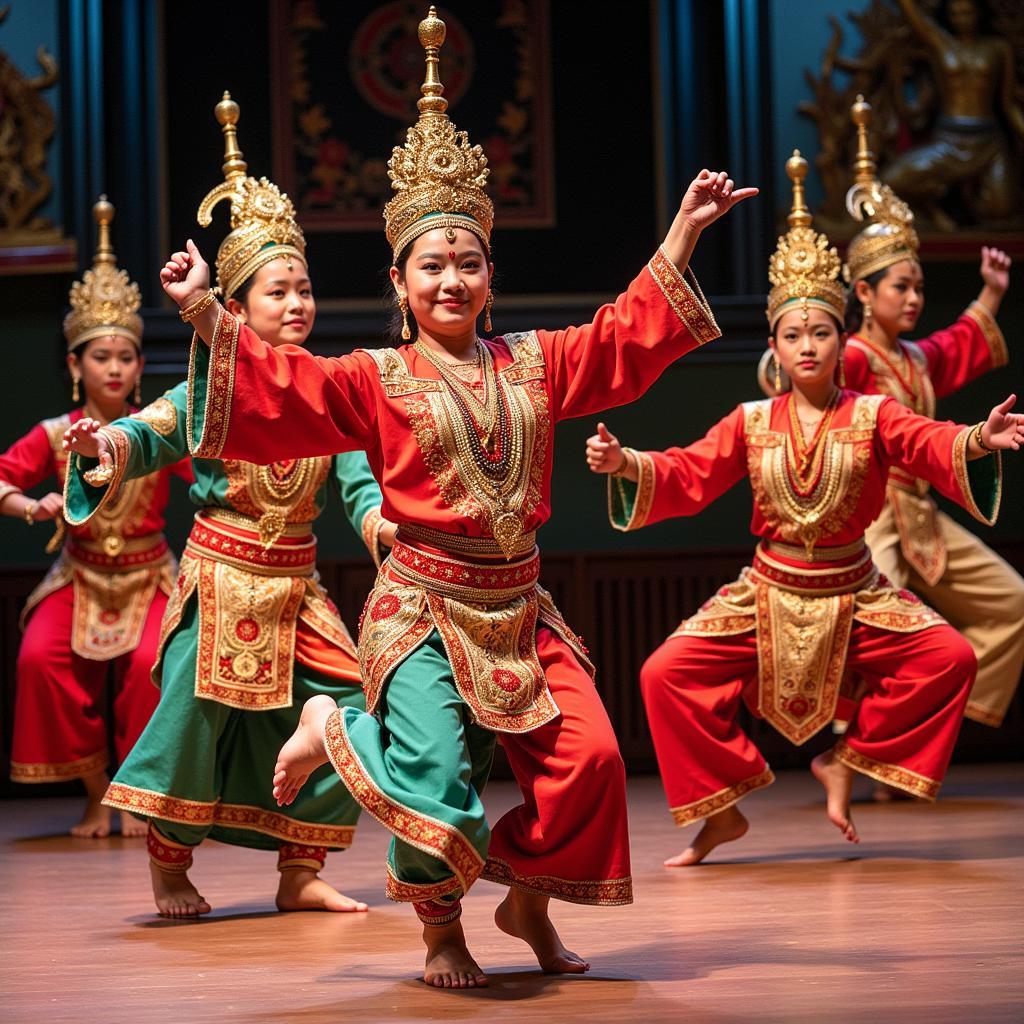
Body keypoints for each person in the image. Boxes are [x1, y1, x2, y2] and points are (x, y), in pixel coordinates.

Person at [161, 8, 754, 986]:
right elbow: (286, 391)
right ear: (400, 282)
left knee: (597, 764)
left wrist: (682, 234)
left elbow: (617, 339)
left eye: (467, 263)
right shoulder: (370, 375)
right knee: (442, 786)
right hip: (426, 608)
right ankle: (438, 925)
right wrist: (204, 312)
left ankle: (527, 895)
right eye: (430, 265)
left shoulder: (535, 361)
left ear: (489, 276)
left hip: (520, 608)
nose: (451, 279)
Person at [587, 150, 1022, 867]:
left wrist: (978, 438)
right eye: (794, 335)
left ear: (839, 339)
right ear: (776, 347)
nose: (809, 346)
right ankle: (721, 811)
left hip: (855, 589)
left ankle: (851, 760)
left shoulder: (876, 412)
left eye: (821, 331)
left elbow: (927, 439)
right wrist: (626, 464)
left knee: (947, 655)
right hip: (769, 591)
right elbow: (690, 471)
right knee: (665, 673)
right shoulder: (751, 419)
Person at [62, 95, 391, 918]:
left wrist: (380, 518)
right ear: (235, 310)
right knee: (190, 725)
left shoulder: (328, 392)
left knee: (349, 706)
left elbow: (357, 477)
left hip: (299, 589)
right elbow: (152, 430)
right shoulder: (209, 393)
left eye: (304, 289)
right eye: (277, 293)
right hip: (221, 585)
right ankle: (170, 866)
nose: (297, 305)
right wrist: (106, 448)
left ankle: (300, 869)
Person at [1, 197, 190, 838]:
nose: (114, 368)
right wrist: (33, 504)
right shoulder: (54, 434)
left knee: (151, 667)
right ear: (74, 366)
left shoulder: (155, 429)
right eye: (100, 357)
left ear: (140, 366)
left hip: (149, 576)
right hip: (78, 575)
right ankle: (97, 792)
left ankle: (139, 795)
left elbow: (216, 471)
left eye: (125, 357)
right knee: (38, 659)